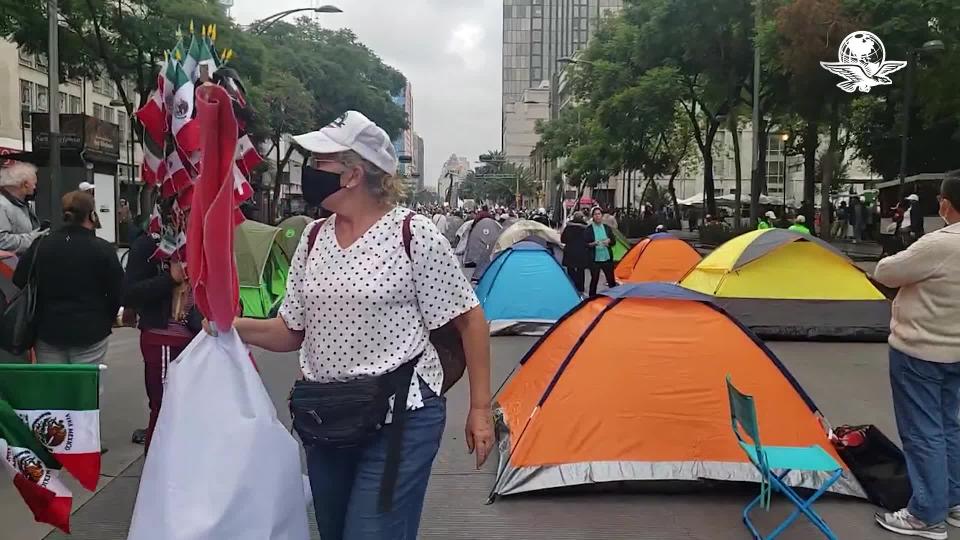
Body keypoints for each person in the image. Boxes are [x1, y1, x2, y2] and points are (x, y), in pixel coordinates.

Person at [223, 111, 493, 540]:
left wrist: (480, 409)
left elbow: (470, 319)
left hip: (400, 419)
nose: (311, 172)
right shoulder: (312, 239)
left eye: (320, 163)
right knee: (333, 532)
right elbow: (290, 330)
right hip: (325, 418)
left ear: (352, 174)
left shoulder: (413, 234)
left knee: (371, 532)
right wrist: (229, 326)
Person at [873, 173, 960, 540]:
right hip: (956, 352)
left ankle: (926, 514)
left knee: (923, 432)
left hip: (920, 351)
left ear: (944, 204)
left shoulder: (939, 244)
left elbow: (886, 272)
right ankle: (953, 500)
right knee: (951, 427)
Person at [122, 198, 201, 451]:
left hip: (199, 340)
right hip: (164, 338)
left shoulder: (202, 241)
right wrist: (169, 278)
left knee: (194, 411)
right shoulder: (148, 245)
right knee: (165, 407)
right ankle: (158, 475)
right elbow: (130, 293)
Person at [13, 191, 123, 365]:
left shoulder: (41, 245)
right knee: (85, 387)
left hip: (47, 329)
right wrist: (105, 319)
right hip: (91, 329)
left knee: (54, 386)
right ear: (91, 214)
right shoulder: (102, 249)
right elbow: (117, 290)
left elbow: (19, 279)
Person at [0, 162, 43, 256]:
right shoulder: (2, 205)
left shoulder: (21, 204)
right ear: (25, 184)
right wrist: (34, 238)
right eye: (34, 184)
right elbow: (2, 241)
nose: (35, 187)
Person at [585, 206, 617, 296]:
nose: (597, 216)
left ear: (602, 216)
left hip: (606, 257)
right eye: (595, 214)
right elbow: (585, 244)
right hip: (595, 259)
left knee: (611, 279)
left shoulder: (607, 228)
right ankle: (591, 297)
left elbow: (613, 241)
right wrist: (593, 244)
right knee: (594, 279)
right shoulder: (589, 229)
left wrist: (609, 241)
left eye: (599, 214)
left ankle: (614, 296)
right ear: (593, 216)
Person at [561, 211, 588, 293]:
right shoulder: (586, 228)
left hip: (570, 251)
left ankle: (572, 285)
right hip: (582, 252)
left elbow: (563, 239)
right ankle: (581, 287)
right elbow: (589, 240)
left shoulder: (568, 227)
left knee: (570, 269)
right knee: (581, 270)